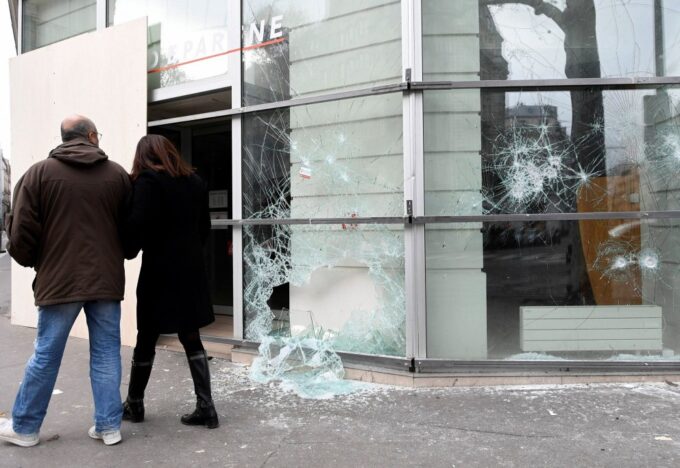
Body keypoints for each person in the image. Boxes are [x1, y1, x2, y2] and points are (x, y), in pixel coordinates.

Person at [0, 115, 131, 447]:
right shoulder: (117, 175)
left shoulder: (38, 174)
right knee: (107, 352)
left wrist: (35, 261)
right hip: (106, 280)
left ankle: (25, 428)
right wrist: (123, 252)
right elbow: (131, 228)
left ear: (64, 138)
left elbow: (21, 230)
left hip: (59, 280)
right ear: (91, 135)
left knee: (46, 354)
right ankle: (109, 427)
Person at [121, 134, 218, 429]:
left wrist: (128, 246)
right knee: (191, 335)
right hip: (190, 270)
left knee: (147, 337)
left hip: (159, 270)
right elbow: (204, 228)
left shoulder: (147, 182)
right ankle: (207, 407)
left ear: (142, 156)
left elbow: (136, 227)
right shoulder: (195, 182)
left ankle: (135, 403)